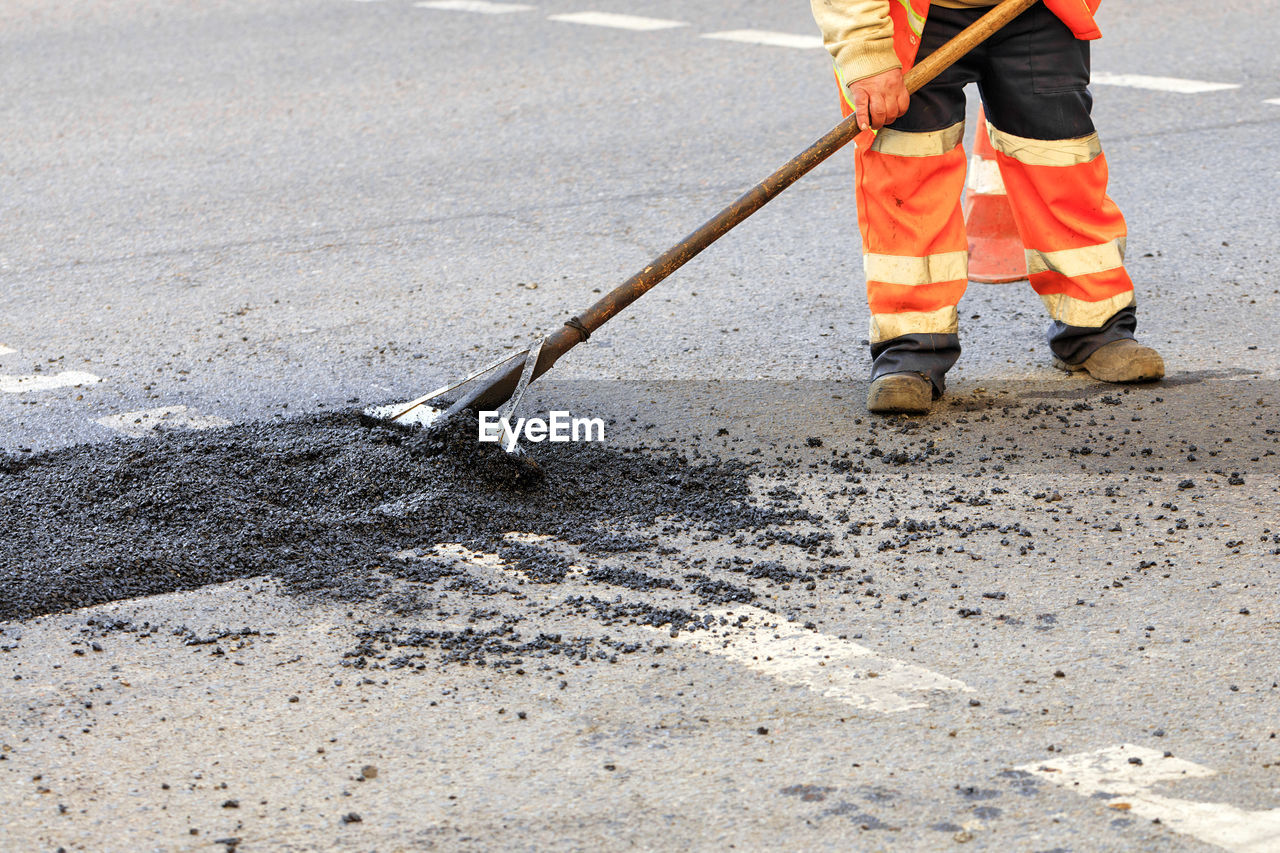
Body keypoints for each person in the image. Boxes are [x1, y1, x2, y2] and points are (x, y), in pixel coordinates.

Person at [811, 0, 1165, 414]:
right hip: (916, 22)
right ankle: (911, 349)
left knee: (1059, 163)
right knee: (908, 179)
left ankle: (1096, 326)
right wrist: (867, 56)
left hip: (1035, 11)